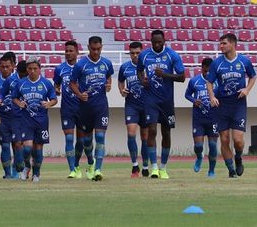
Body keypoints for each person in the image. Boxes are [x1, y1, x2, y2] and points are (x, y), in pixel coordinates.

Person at [206, 33, 257, 178]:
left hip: (238, 104)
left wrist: (247, 89)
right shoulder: (217, 63)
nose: (220, 46)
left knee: (238, 140)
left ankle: (239, 158)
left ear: (233, 44)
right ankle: (231, 170)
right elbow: (209, 81)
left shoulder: (244, 61)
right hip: (222, 105)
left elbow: (253, 76)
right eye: (220, 43)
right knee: (224, 139)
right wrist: (212, 96)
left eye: (224, 43)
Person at [137, 29, 186, 179]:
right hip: (150, 99)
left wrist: (164, 75)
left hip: (166, 100)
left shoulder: (172, 55)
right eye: (154, 42)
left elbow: (182, 77)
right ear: (150, 42)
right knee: (151, 130)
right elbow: (139, 71)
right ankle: (154, 168)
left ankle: (163, 167)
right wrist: (142, 80)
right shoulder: (144, 55)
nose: (157, 44)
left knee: (166, 132)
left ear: (164, 41)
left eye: (160, 42)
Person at [69, 36, 114, 181]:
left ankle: (98, 170)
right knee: (86, 141)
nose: (96, 52)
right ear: (88, 47)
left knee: (100, 137)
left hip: (101, 107)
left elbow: (109, 77)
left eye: (98, 49)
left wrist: (108, 85)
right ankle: (90, 163)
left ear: (102, 47)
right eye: (93, 49)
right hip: (85, 108)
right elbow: (72, 83)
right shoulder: (80, 65)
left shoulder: (107, 63)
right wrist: (79, 94)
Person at [12, 57, 57, 182]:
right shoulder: (21, 83)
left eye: (35, 69)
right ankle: (27, 167)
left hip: (41, 121)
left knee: (38, 149)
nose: (32, 71)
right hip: (26, 120)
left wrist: (49, 104)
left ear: (39, 69)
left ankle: (36, 173)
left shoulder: (46, 83)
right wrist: (19, 103)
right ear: (27, 69)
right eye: (30, 69)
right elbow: (14, 98)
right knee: (27, 148)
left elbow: (54, 99)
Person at [119, 42, 151, 178]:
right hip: (131, 105)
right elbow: (120, 81)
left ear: (142, 52)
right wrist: (121, 89)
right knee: (131, 133)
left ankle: (145, 166)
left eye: (137, 53)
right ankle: (134, 166)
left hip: (147, 105)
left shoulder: (148, 67)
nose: (135, 55)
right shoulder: (124, 67)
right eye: (132, 53)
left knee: (145, 137)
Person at [53, 40, 83, 178]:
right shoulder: (59, 69)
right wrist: (57, 90)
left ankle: (77, 165)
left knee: (81, 140)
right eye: (66, 51)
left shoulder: (83, 67)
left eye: (71, 51)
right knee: (69, 139)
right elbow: (56, 86)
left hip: (83, 108)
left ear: (77, 52)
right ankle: (72, 169)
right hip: (67, 108)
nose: (68, 53)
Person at [185, 57, 219, 177]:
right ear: (202, 69)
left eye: (210, 72)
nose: (207, 74)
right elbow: (187, 94)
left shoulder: (218, 81)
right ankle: (199, 157)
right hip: (199, 118)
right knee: (198, 146)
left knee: (213, 146)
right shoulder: (194, 81)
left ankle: (211, 171)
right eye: (205, 71)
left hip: (214, 118)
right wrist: (194, 100)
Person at [0, 51, 18, 179]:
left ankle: (16, 171)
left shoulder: (17, 79)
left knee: (16, 144)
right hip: (2, 117)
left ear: (13, 66)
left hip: (16, 117)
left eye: (7, 67)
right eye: (2, 67)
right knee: (4, 144)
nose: (5, 69)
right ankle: (7, 173)